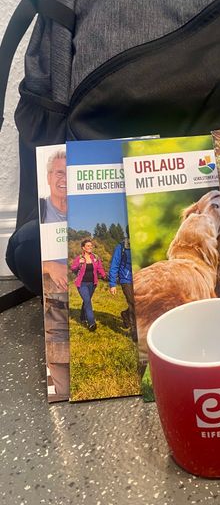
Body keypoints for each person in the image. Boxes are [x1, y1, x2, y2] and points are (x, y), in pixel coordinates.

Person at [40, 149, 69, 400]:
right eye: (59, 173)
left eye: (69, 173)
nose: (64, 179)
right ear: (49, 177)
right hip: (55, 301)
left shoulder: (85, 210)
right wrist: (49, 265)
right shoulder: (41, 209)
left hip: (82, 296)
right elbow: (24, 255)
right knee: (64, 385)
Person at [70, 238, 106, 332]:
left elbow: (100, 268)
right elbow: (73, 269)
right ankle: (91, 323)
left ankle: (82, 317)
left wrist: (104, 275)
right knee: (88, 302)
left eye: (91, 246)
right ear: (83, 248)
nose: (90, 247)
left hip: (93, 284)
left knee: (86, 301)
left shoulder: (95, 257)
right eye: (88, 246)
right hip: (82, 284)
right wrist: (79, 264)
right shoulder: (79, 258)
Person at [108, 227, 137, 341]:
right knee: (133, 304)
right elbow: (114, 265)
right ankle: (135, 333)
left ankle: (125, 314)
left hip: (139, 278)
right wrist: (112, 284)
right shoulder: (122, 247)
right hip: (126, 279)